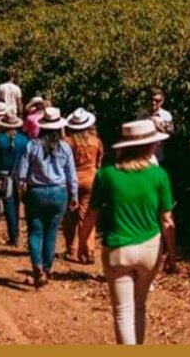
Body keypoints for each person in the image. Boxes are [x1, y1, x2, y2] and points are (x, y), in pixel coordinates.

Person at [78, 120, 177, 345]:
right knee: (139, 306)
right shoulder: (159, 175)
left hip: (118, 248)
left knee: (123, 312)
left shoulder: (107, 175)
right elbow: (166, 219)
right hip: (150, 248)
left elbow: (91, 214)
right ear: (149, 147)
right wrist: (171, 254)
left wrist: (83, 242)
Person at [17, 107, 77, 288]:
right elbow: (71, 175)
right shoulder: (65, 147)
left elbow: (21, 175)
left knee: (35, 231)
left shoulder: (32, 145)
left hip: (36, 191)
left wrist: (22, 193)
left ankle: (37, 266)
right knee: (51, 233)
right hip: (59, 192)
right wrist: (73, 195)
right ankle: (47, 269)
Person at [62, 108, 104, 263]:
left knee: (70, 216)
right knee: (87, 216)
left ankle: (70, 248)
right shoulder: (96, 141)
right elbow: (99, 162)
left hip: (72, 179)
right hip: (91, 179)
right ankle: (89, 249)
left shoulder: (68, 141)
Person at [0, 113, 30, 246]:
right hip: (20, 174)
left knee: (8, 204)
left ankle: (13, 234)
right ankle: (17, 233)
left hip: (3, 175)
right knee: (17, 204)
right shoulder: (24, 139)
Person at [136, 87, 173, 164]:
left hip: (160, 155)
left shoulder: (166, 115)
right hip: (143, 156)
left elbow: (170, 135)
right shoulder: (141, 115)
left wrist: (156, 124)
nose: (153, 103)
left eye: (157, 101)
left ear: (162, 101)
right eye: (151, 100)